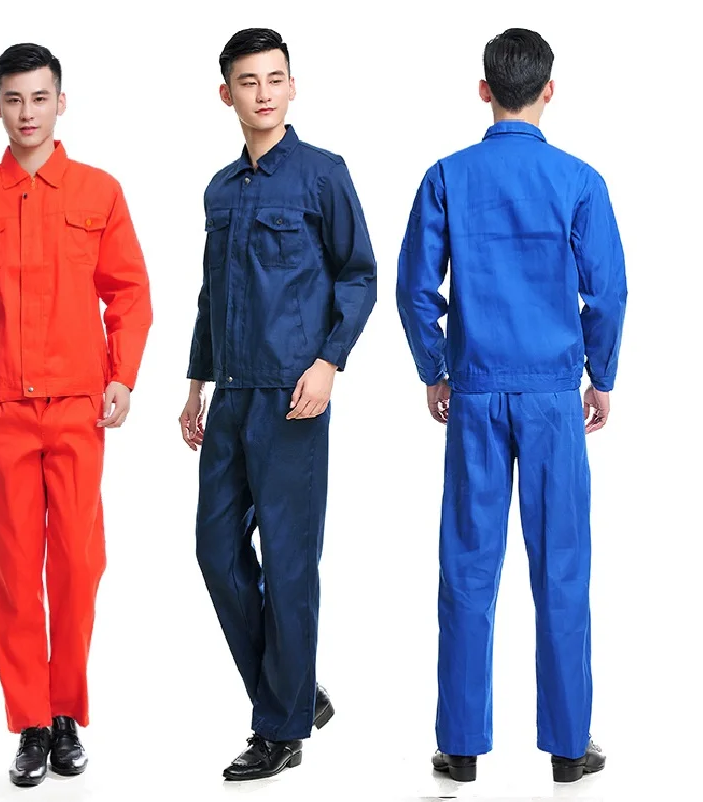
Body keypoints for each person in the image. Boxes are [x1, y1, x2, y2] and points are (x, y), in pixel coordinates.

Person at [396, 28, 626, 784]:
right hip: (554, 399)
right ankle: (568, 747)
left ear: (484, 89)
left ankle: (461, 747)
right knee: (561, 569)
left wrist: (436, 368)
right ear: (549, 91)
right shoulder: (579, 181)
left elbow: (413, 287)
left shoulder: (447, 176)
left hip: (476, 393)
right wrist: (601, 375)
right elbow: (608, 291)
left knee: (468, 566)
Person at [0, 43, 152, 787]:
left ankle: (65, 712)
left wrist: (123, 375)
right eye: (14, 98)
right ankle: (30, 722)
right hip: (1, 408)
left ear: (62, 102)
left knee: (78, 565)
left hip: (79, 408)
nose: (27, 112)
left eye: (39, 97)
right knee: (15, 568)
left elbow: (128, 291)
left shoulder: (99, 191)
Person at [179, 28, 376, 782]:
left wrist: (329, 363)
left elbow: (359, 275)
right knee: (216, 552)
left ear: (292, 86)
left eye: (274, 78)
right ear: (225, 93)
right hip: (231, 394)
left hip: (294, 397)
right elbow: (212, 292)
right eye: (248, 81)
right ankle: (295, 691)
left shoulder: (324, 174)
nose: (262, 93)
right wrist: (196, 384)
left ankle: (279, 730)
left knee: (290, 565)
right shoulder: (220, 190)